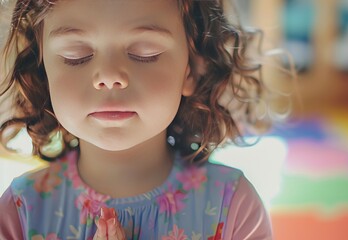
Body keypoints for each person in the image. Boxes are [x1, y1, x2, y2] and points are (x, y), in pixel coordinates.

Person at [0, 0, 288, 239]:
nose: (110, 76)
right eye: (77, 55)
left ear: (191, 68)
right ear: (43, 66)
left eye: (144, 53)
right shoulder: (21, 211)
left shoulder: (233, 205)